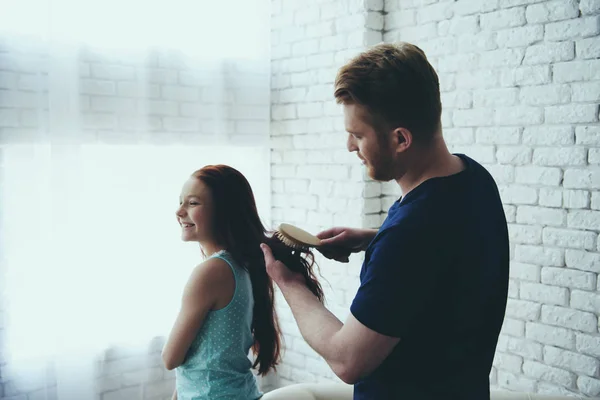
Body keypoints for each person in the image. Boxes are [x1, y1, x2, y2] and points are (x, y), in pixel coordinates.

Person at [260, 42, 509, 400]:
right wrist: (373, 239)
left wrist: (289, 283)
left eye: (358, 134)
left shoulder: (411, 235)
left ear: (400, 139)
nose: (350, 146)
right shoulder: (473, 178)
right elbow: (449, 248)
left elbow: (348, 361)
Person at [162, 164, 324, 400]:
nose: (179, 211)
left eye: (193, 203)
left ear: (223, 211)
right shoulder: (239, 264)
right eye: (180, 201)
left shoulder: (210, 272)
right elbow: (202, 362)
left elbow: (171, 359)